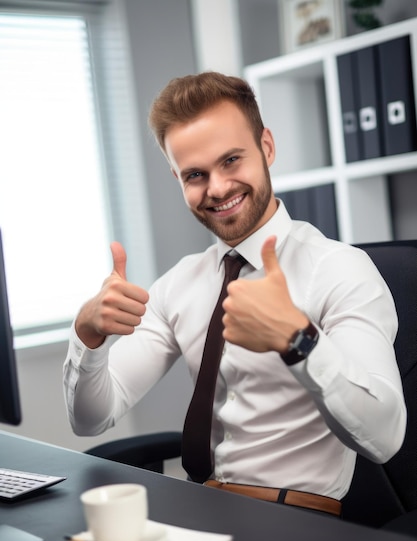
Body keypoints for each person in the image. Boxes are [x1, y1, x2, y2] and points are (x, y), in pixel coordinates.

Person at [63, 71, 406, 516]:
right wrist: (87, 334)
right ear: (177, 177)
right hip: (198, 511)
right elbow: (90, 418)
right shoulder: (180, 283)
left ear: (266, 146)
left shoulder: (339, 269)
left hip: (295, 522)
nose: (218, 188)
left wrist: (298, 339)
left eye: (231, 161)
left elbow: (385, 438)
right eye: (195, 175)